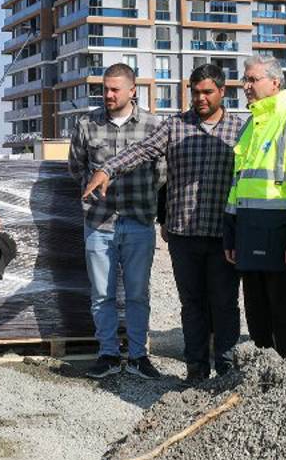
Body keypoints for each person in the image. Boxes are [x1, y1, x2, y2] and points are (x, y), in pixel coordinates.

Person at [82, 63, 244, 383]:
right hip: (184, 233)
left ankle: (226, 369)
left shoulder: (240, 130)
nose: (200, 98)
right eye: (195, 92)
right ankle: (196, 370)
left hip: (223, 235)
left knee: (225, 305)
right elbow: (141, 151)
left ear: (222, 92)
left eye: (207, 92)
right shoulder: (174, 127)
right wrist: (107, 170)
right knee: (192, 305)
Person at [70, 64, 166, 380]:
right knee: (102, 294)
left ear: (132, 90)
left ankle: (138, 355)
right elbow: (76, 167)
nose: (108, 95)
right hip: (99, 222)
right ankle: (108, 354)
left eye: (115, 89)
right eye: (105, 89)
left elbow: (163, 173)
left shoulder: (154, 125)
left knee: (138, 293)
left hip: (139, 220)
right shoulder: (87, 124)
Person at [225, 55, 286, 358]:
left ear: (275, 82)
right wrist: (231, 234)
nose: (246, 86)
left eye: (252, 80)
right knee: (257, 322)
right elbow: (237, 187)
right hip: (249, 236)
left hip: (281, 241)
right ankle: (261, 388)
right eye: (245, 80)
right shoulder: (250, 127)